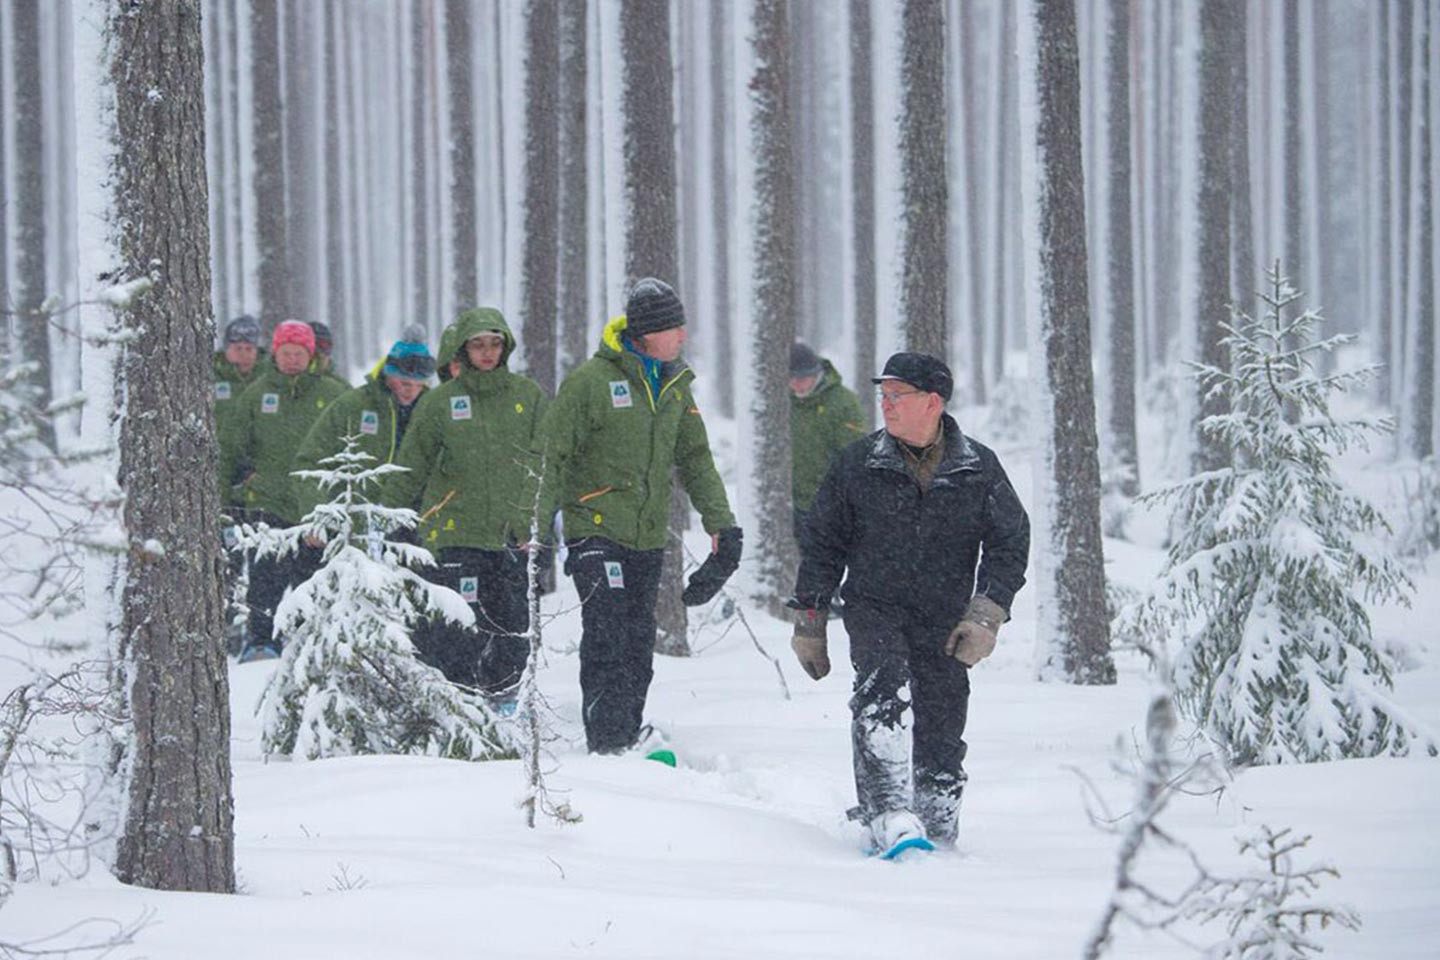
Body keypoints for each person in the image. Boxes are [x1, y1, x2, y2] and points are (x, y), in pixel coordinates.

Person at [787, 352, 1029, 853]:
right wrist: (810, 620)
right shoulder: (857, 464)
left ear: (933, 402)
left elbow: (1010, 541)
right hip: (874, 608)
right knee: (883, 698)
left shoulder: (977, 467)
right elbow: (823, 544)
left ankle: (938, 820)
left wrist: (986, 614)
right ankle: (888, 813)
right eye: (884, 396)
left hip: (946, 616)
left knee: (943, 716)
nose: (886, 405)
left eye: (898, 396)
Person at [539, 277, 742, 754]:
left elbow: (696, 460)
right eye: (676, 328)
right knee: (607, 633)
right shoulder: (591, 383)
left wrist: (722, 525)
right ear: (649, 333)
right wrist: (535, 531)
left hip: (647, 536)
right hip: (596, 530)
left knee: (636, 643)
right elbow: (551, 455)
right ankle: (607, 742)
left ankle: (626, 734)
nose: (683, 337)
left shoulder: (674, 386)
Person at [385, 308, 547, 708]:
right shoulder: (441, 402)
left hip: (512, 536)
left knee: (513, 629)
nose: (488, 352)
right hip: (454, 534)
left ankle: (504, 702)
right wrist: (390, 521)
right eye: (478, 344)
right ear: (464, 349)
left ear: (505, 346)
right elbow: (410, 467)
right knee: (457, 630)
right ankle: (456, 706)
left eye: (495, 343)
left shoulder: (528, 397)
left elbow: (546, 464)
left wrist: (537, 522)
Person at [218, 320, 350, 661]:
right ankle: (261, 642)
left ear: (311, 356)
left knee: (313, 581)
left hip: (316, 508)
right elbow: (232, 446)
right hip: (267, 503)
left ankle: (313, 643)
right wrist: (231, 487)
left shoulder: (333, 394)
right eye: (286, 352)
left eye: (299, 353)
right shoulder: (258, 394)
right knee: (265, 581)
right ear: (275, 354)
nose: (292, 359)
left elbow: (355, 446)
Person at [292, 338, 436, 520]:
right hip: (352, 523)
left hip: (415, 524)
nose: (412, 391)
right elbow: (310, 462)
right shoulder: (352, 406)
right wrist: (317, 515)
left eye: (419, 384)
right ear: (388, 374)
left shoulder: (433, 410)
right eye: (405, 383)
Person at [788, 342, 866, 546]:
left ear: (817, 373)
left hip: (828, 506)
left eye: (803, 378)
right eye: (792, 379)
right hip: (789, 506)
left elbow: (854, 456)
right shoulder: (782, 402)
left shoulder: (843, 403)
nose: (797, 385)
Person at [308, 320, 351, 389]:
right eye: (311, 346)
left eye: (323, 345)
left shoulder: (340, 387)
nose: (318, 353)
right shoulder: (287, 385)